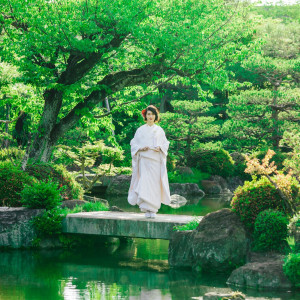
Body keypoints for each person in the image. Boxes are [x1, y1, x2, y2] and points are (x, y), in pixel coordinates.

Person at [128, 105, 171, 218]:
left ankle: (153, 209)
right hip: (144, 161)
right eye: (148, 114)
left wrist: (160, 148)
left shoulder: (159, 130)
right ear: (145, 116)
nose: (150, 116)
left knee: (154, 185)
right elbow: (133, 143)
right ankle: (146, 209)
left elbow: (165, 143)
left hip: (155, 161)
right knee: (144, 184)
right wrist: (140, 148)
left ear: (155, 116)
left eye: (152, 114)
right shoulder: (140, 130)